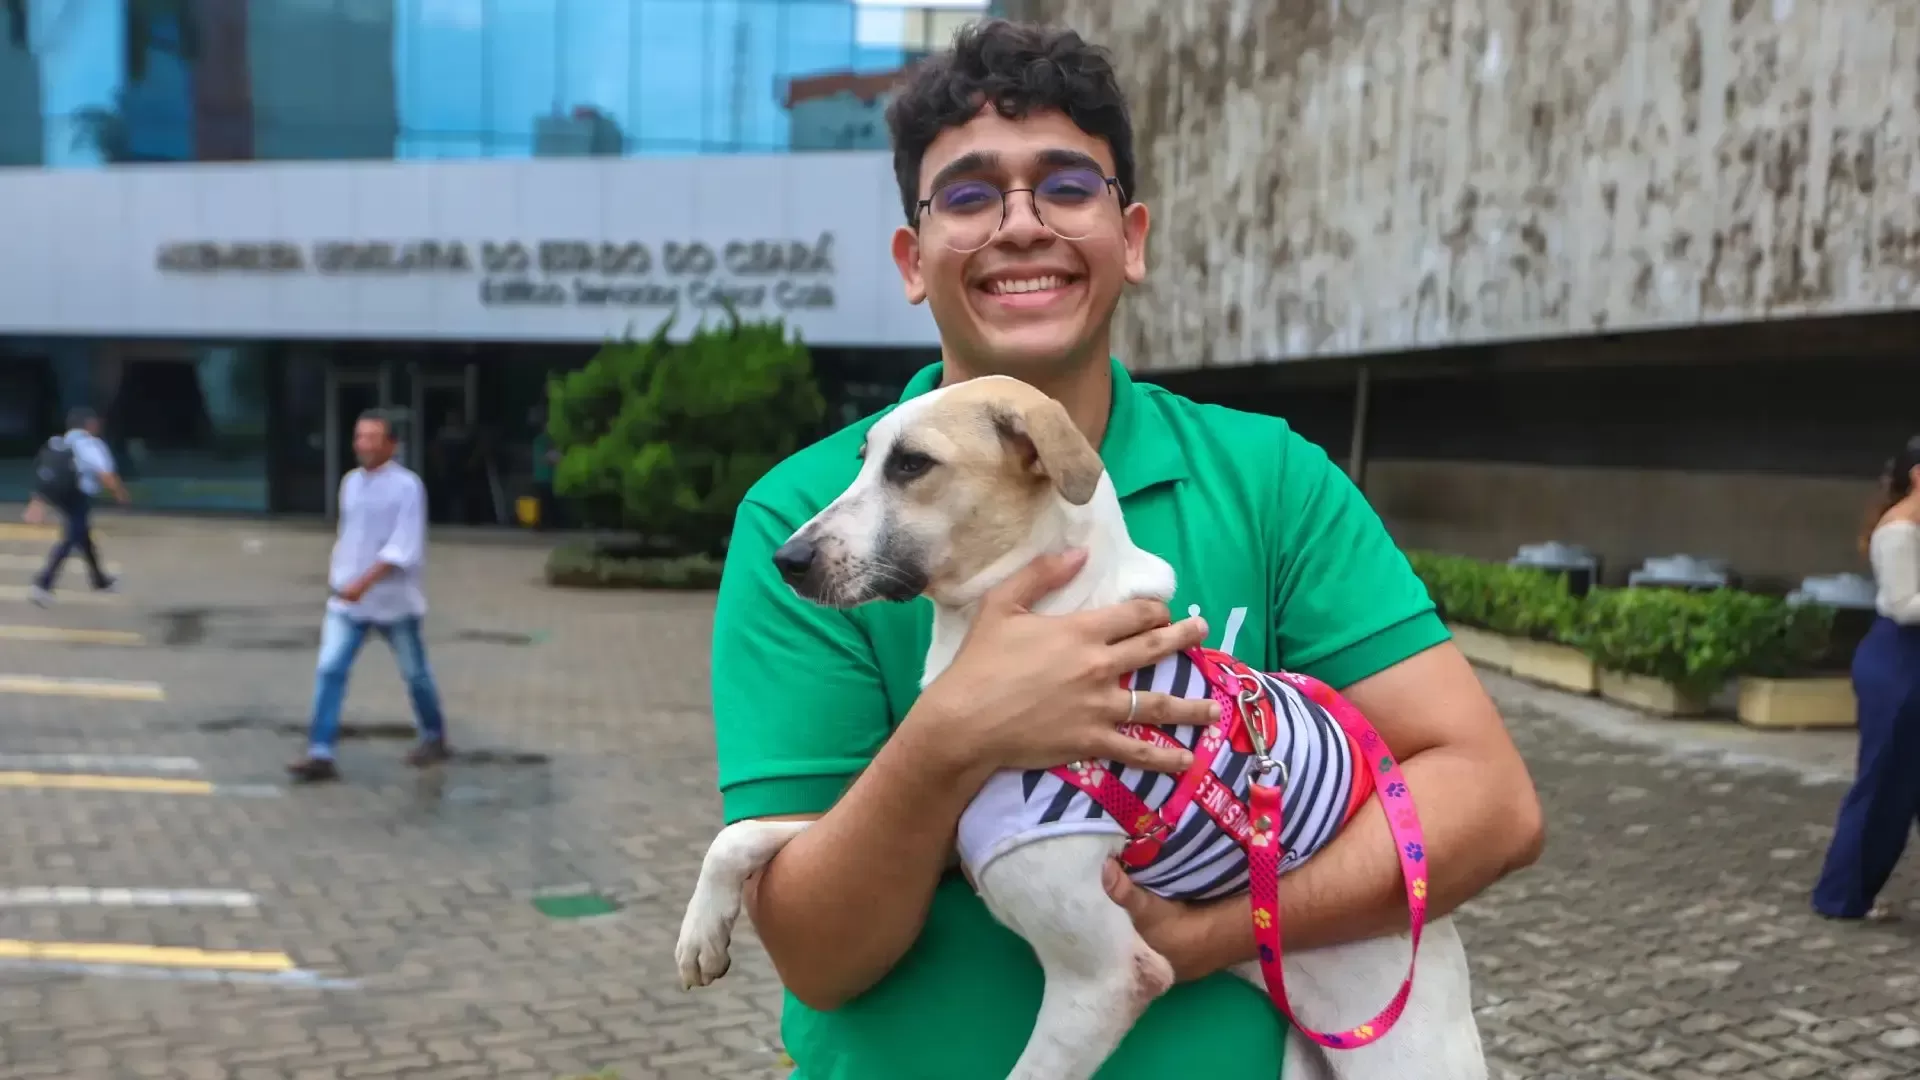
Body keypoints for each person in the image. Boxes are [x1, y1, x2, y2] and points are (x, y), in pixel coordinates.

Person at [706, 19, 1544, 1079]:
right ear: (914, 262)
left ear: (1131, 236)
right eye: (968, 194)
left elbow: (1490, 802)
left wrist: (1206, 933)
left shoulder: (1268, 477)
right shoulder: (804, 526)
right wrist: (955, 731)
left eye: (1066, 185)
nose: (1020, 224)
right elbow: (820, 957)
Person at [286, 409, 451, 784]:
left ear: (392, 444)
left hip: (394, 603)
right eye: (360, 437)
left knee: (415, 674)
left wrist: (366, 581)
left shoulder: (408, 486)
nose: (364, 444)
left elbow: (402, 547)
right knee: (330, 669)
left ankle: (433, 735)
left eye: (373, 437)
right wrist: (345, 581)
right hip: (348, 602)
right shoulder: (350, 483)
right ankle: (320, 752)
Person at [1812, 435, 1920, 919]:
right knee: (1884, 788)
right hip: (1899, 664)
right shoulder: (1898, 533)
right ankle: (1841, 897)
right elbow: (1904, 606)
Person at [26, 406, 127, 607]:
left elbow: (47, 475)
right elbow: (105, 474)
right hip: (78, 496)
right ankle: (42, 584)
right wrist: (121, 495)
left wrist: (38, 502)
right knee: (71, 538)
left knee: (84, 538)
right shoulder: (91, 444)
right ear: (89, 424)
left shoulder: (59, 443)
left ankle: (100, 581)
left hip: (62, 497)